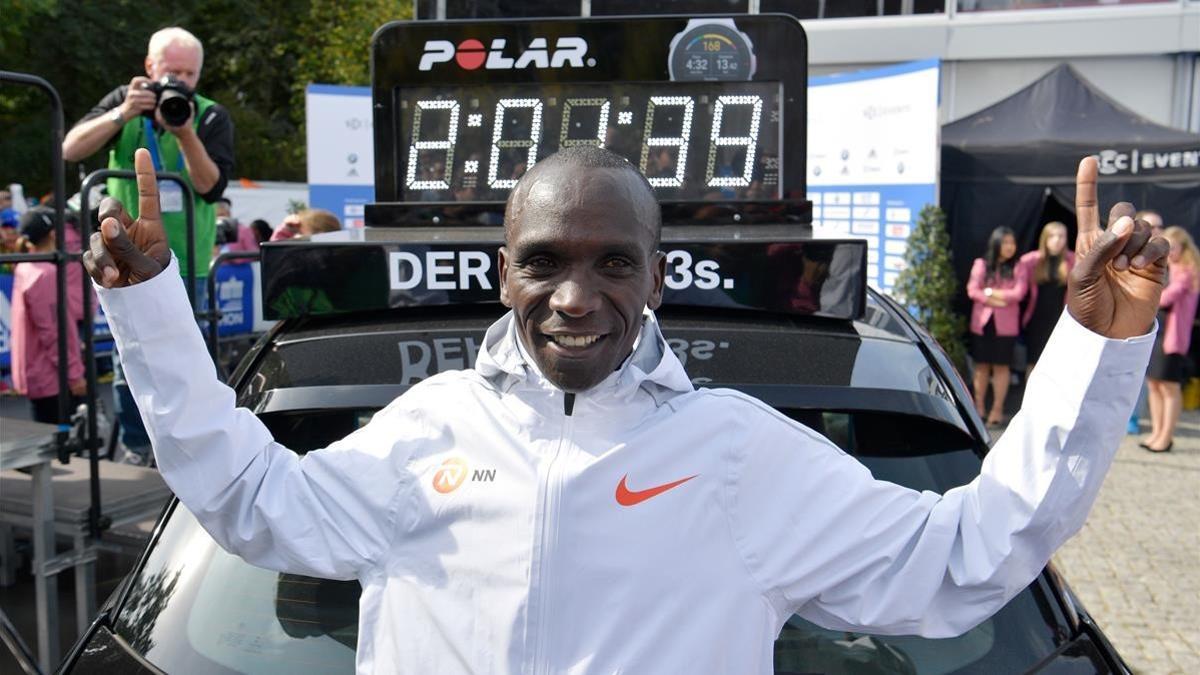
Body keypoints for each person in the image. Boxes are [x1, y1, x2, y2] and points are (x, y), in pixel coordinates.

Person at [85, 148, 1166, 673]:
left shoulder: (738, 453)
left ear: (656, 277)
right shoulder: (431, 427)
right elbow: (244, 492)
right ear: (504, 271)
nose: (574, 295)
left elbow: (967, 555)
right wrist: (150, 312)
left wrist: (1096, 348)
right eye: (544, 262)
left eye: (612, 262)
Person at [62, 26, 234, 464]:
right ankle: (141, 450)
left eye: (188, 74)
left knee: (189, 357)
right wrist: (123, 113)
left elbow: (211, 188)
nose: (179, 82)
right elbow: (70, 149)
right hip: (126, 260)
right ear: (149, 68)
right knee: (130, 359)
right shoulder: (127, 99)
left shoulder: (208, 114)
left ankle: (195, 451)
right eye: (170, 71)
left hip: (187, 262)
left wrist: (184, 131)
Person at [11, 208, 86, 423]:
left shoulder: (25, 265)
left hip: (39, 373)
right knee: (62, 445)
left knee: (51, 444)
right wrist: (74, 374)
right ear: (53, 234)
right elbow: (53, 331)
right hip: (52, 377)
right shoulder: (46, 274)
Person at [1142, 226, 1200, 453]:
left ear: (1184, 248)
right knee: (1154, 384)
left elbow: (1167, 298)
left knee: (1169, 387)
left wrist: (1145, 297)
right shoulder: (1166, 268)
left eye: (1173, 247)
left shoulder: (1186, 271)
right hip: (1157, 335)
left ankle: (1166, 436)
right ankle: (1157, 432)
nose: (1170, 251)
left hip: (1172, 338)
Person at [966, 226, 1027, 427]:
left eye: (1012, 243)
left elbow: (1018, 294)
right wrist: (994, 296)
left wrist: (989, 293)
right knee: (981, 367)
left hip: (1006, 327)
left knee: (1001, 367)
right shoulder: (981, 264)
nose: (1010, 247)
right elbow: (972, 290)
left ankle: (997, 408)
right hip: (983, 324)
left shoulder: (1019, 267)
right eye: (1006, 242)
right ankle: (979, 406)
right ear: (997, 243)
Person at [1017, 221, 1075, 373]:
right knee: (1033, 363)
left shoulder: (1072, 260)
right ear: (1045, 239)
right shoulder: (1031, 260)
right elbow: (1020, 290)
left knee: (1057, 364)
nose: (1057, 240)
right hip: (1037, 319)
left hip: (1061, 319)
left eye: (1061, 236)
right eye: (1052, 236)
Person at [1127, 209, 1165, 434]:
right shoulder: (1123, 257)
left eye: (1160, 226)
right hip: (1127, 328)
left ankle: (1134, 417)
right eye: (1152, 225)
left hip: (1156, 328)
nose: (1157, 231)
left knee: (1145, 379)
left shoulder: (1168, 258)